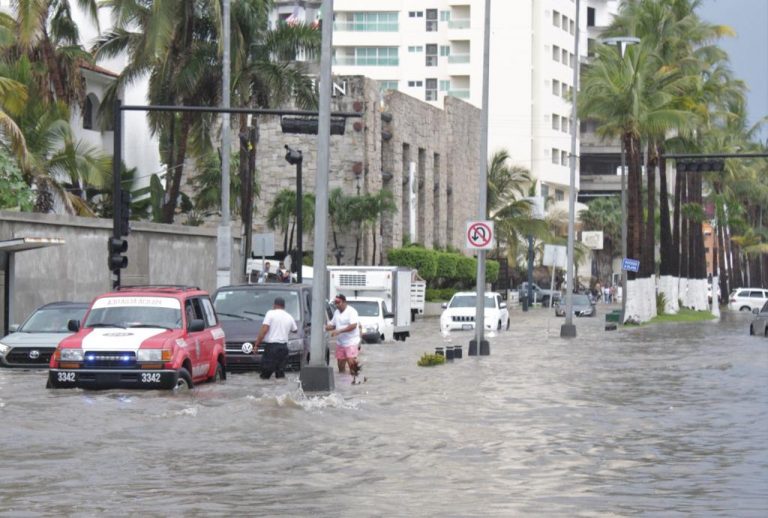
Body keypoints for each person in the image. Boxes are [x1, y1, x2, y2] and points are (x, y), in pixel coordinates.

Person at [253, 297, 297, 379]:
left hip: (272, 348)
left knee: (265, 375)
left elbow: (264, 330)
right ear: (284, 306)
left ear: (274, 305)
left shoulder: (270, 313)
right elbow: (295, 330)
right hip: (284, 348)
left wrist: (256, 345)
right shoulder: (289, 316)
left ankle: (265, 391)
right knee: (280, 373)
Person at [326, 294, 361, 374]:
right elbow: (333, 325)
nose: (337, 304)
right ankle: (343, 383)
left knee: (352, 367)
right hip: (341, 343)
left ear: (344, 302)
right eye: (335, 303)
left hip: (351, 342)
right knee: (340, 367)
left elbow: (353, 325)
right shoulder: (336, 313)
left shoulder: (352, 312)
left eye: (338, 302)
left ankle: (354, 381)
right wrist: (325, 327)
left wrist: (339, 331)